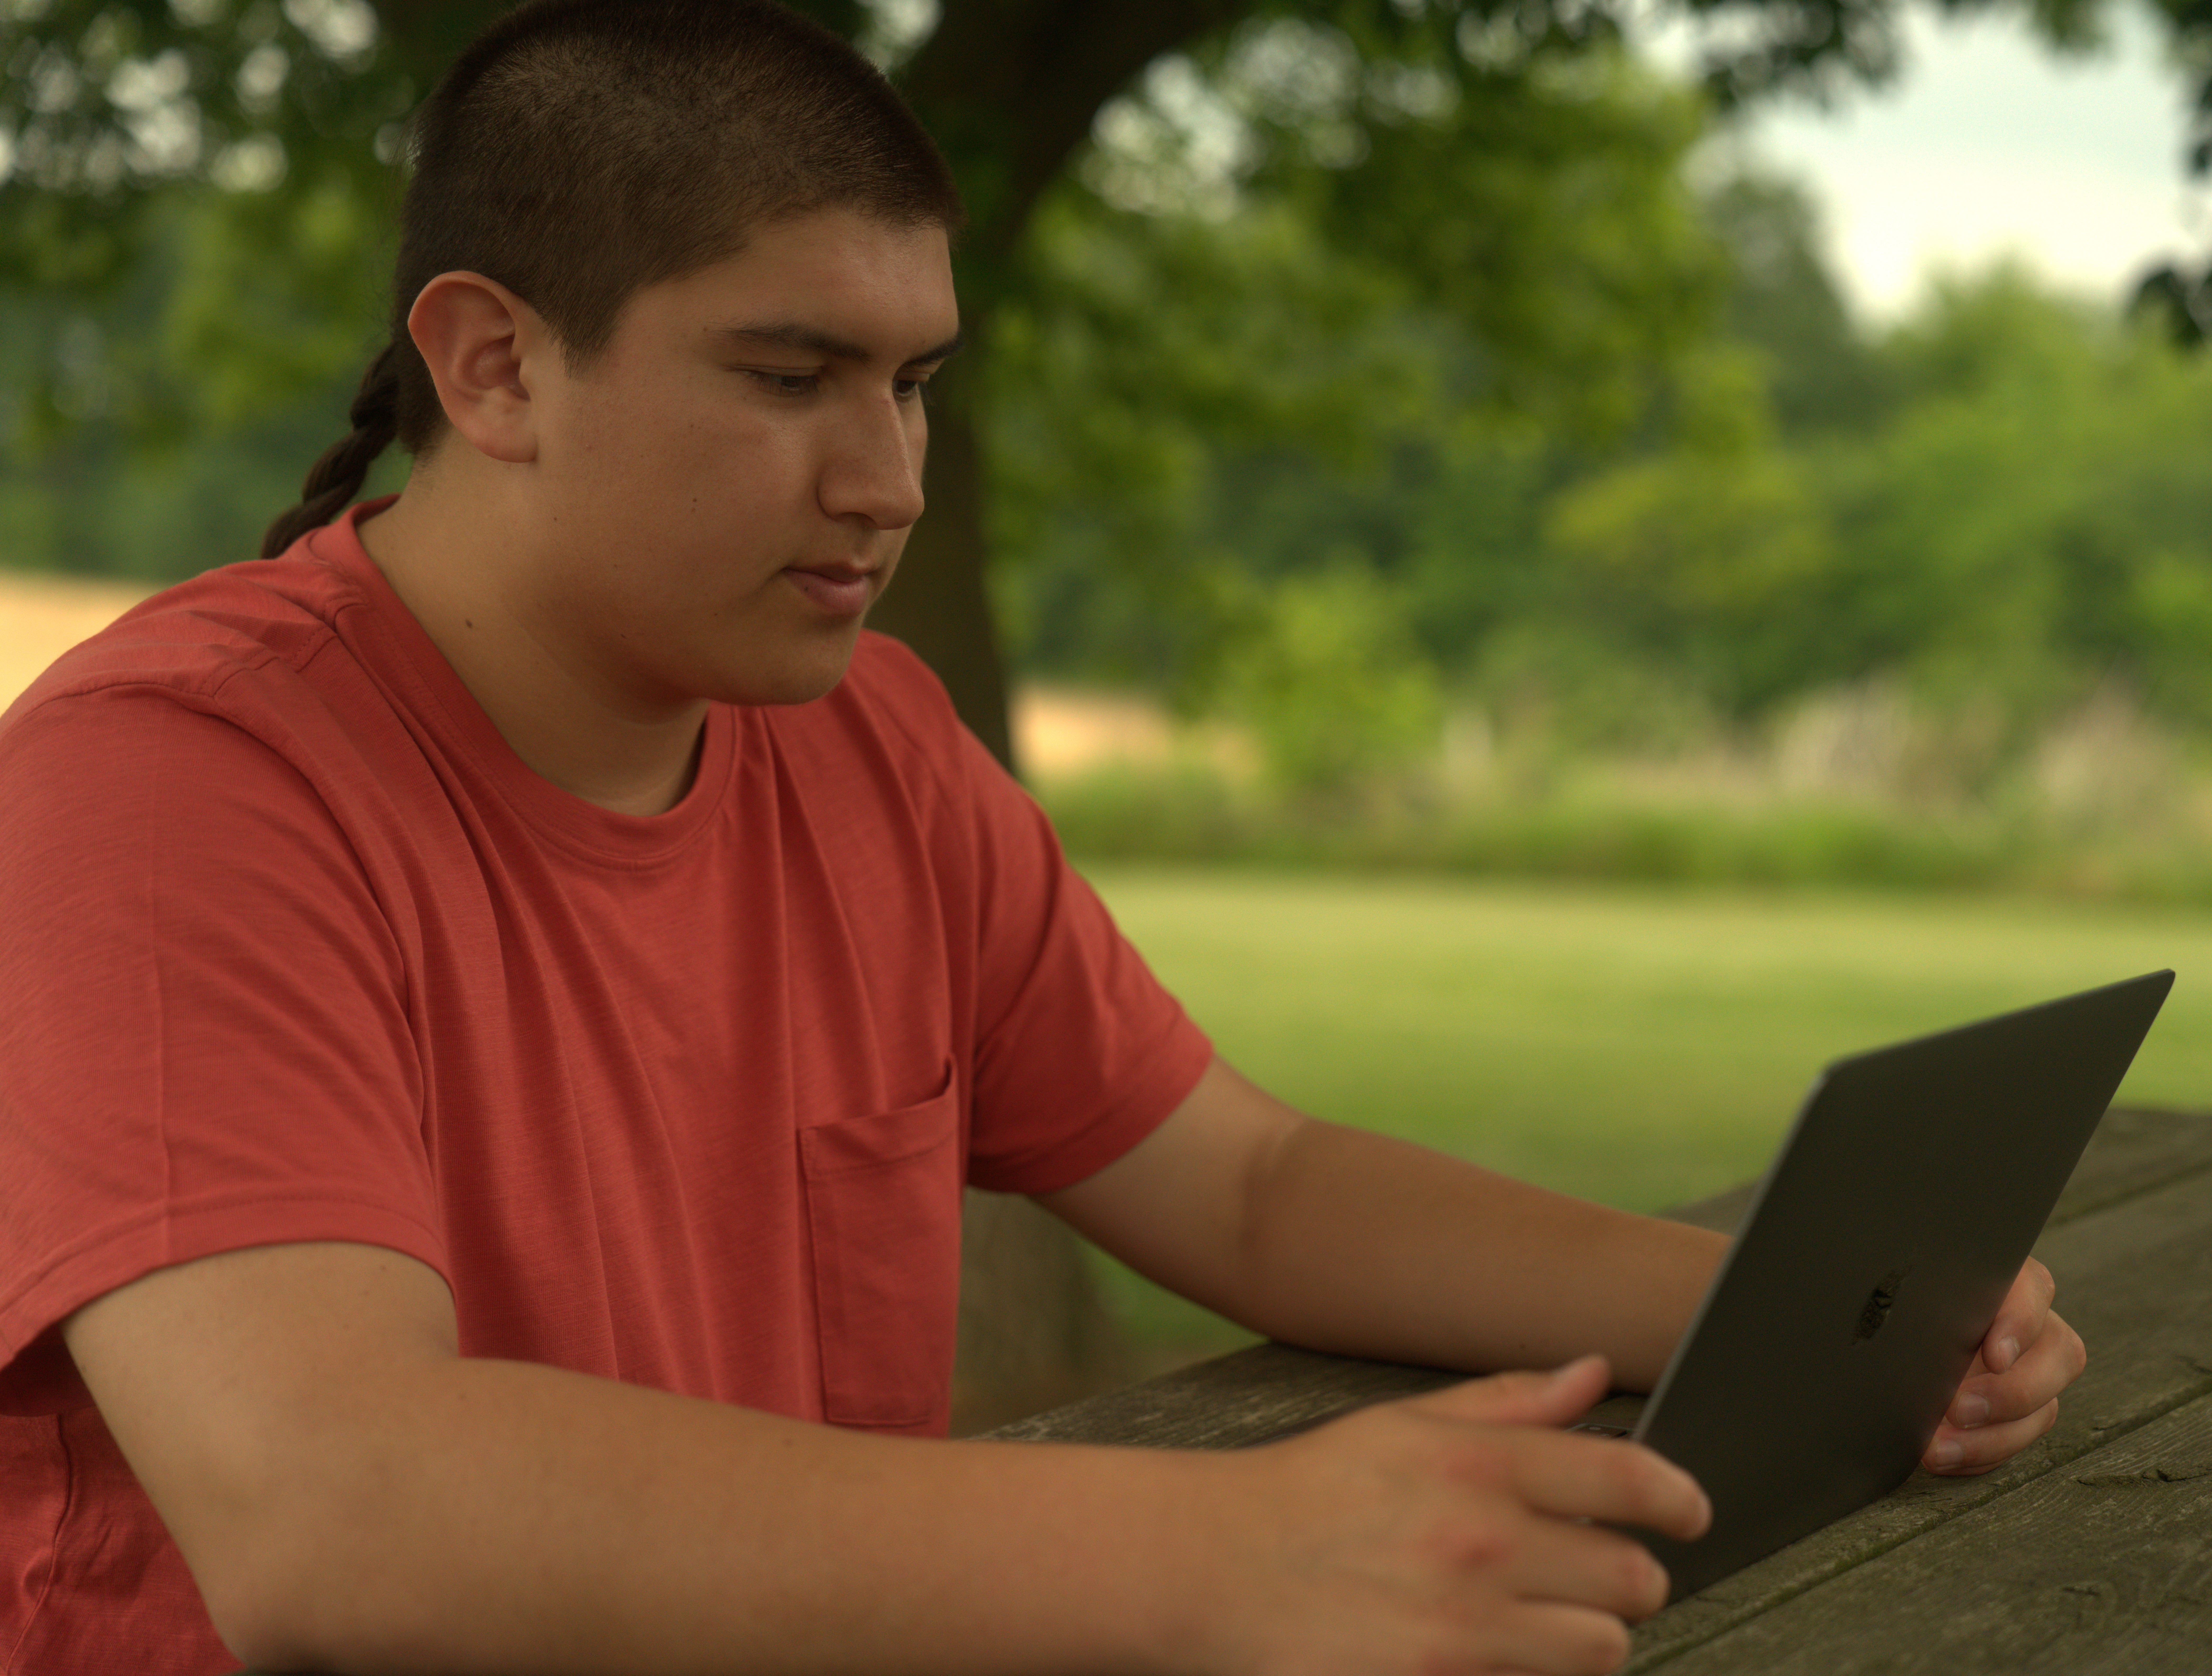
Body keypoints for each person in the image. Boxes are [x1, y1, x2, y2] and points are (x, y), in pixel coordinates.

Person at [0, 2, 2086, 1671]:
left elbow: (1247, 1183)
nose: (886, 476)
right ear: (492, 363)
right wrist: (1238, 1551)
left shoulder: (874, 751)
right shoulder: (174, 782)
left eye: (911, 381)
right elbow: (337, 1514)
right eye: (791, 372)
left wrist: (1798, 1310)